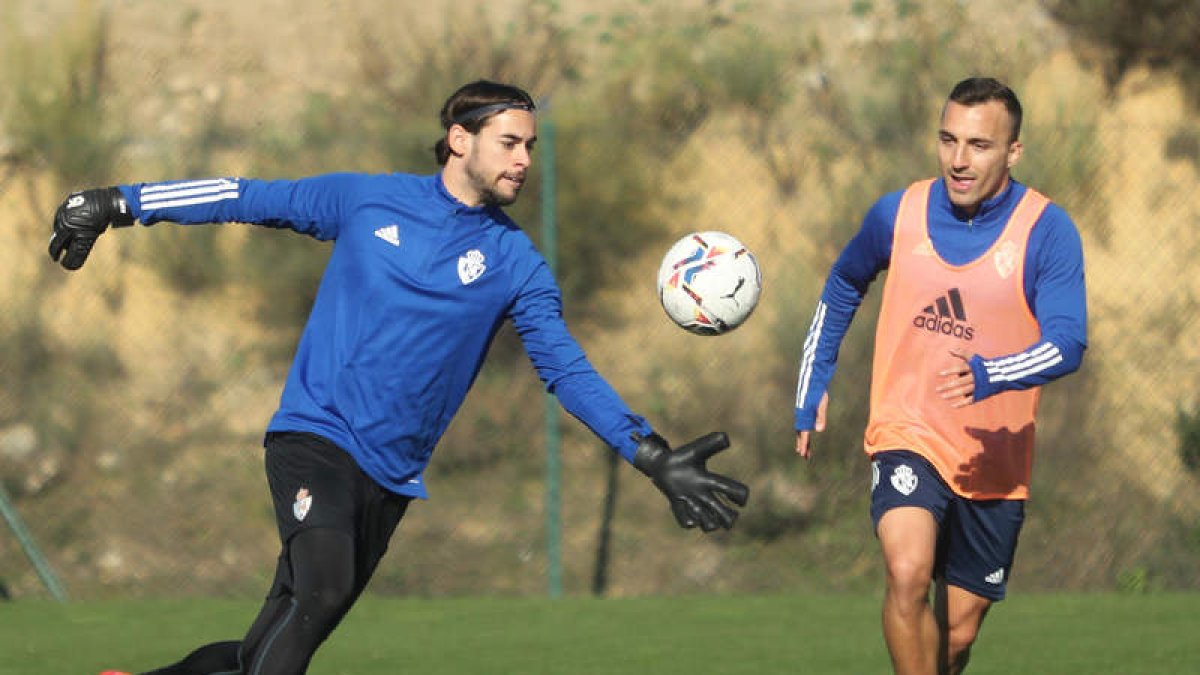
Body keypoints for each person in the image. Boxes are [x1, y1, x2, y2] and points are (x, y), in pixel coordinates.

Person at [50, 79, 749, 675]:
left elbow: (566, 369)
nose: (524, 159)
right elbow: (245, 194)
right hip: (314, 438)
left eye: (531, 146)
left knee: (270, 647)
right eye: (510, 141)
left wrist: (650, 453)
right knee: (320, 590)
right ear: (458, 139)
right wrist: (118, 202)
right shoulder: (367, 201)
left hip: (389, 479)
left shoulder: (517, 263)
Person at [793, 77, 1087, 674]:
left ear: (1013, 152)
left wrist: (992, 374)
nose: (959, 160)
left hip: (995, 455)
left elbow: (1068, 343)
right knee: (907, 575)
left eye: (979, 145)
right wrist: (814, 377)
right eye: (948, 140)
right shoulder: (896, 214)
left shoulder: (1046, 232)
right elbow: (844, 282)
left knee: (955, 635)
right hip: (910, 429)